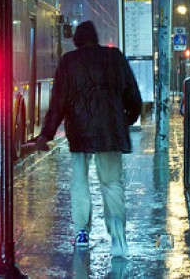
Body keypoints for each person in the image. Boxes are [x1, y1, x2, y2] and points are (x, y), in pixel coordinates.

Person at [33, 21, 143, 257]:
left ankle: (81, 231)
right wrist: (125, 119)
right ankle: (117, 236)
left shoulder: (69, 62)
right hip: (111, 130)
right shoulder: (115, 58)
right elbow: (133, 96)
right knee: (112, 183)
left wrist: (46, 134)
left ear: (76, 40)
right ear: (96, 37)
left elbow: (59, 102)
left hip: (80, 129)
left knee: (80, 180)